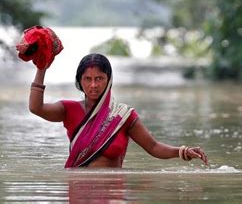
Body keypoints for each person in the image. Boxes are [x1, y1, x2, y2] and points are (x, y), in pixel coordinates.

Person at [28, 53, 209, 168]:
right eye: (87, 79)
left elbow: (153, 147)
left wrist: (182, 151)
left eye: (99, 78)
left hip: (113, 192)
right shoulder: (68, 109)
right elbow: (36, 108)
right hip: (78, 189)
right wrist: (41, 68)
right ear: (79, 81)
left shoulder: (123, 116)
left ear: (109, 80)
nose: (93, 85)